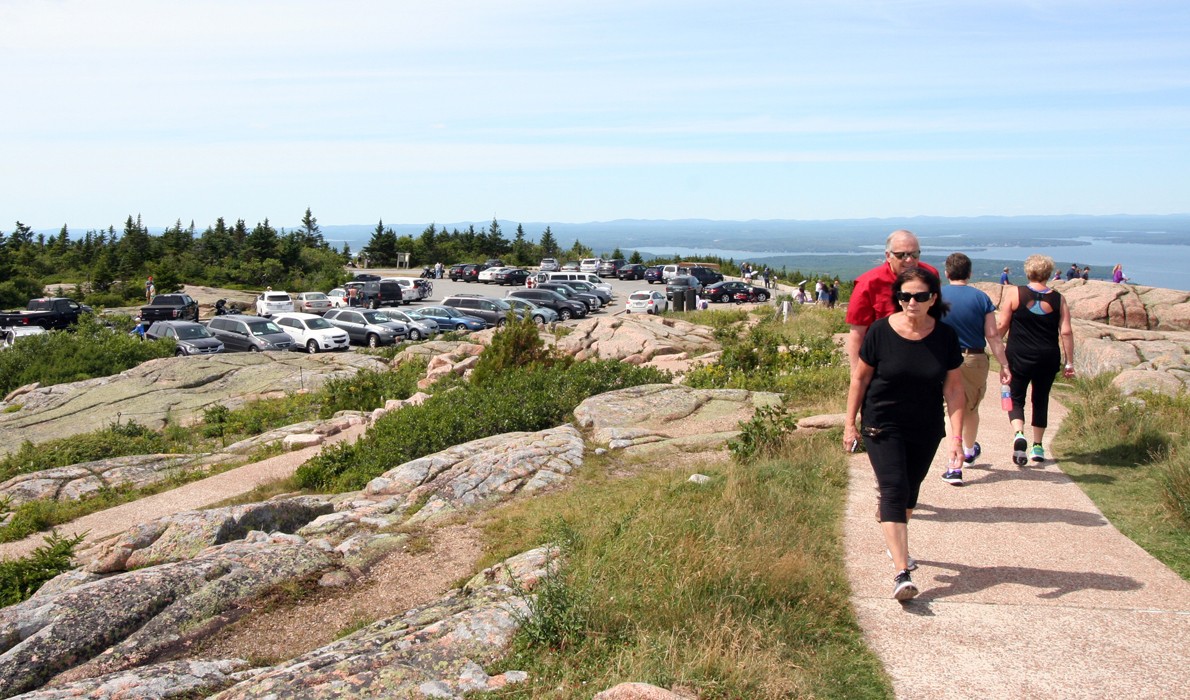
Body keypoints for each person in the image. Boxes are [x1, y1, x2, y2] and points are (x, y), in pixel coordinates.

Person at [844, 267, 965, 601]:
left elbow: (954, 390)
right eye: (905, 296)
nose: (912, 302)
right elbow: (860, 379)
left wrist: (957, 439)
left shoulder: (945, 337)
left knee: (910, 490)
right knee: (894, 488)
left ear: (933, 299)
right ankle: (901, 572)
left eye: (920, 296)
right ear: (898, 298)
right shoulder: (881, 332)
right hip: (882, 422)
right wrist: (849, 423)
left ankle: (894, 530)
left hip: (925, 427)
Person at [939, 253, 1012, 485]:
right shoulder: (981, 298)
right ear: (969, 273)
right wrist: (1004, 364)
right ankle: (966, 453)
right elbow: (992, 334)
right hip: (973, 359)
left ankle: (955, 462)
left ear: (946, 272)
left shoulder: (936, 296)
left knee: (950, 410)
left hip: (941, 359)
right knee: (970, 408)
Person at [997, 255, 1076, 466]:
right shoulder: (1059, 299)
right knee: (1041, 399)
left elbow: (1003, 325)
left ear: (1027, 272)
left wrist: (994, 346)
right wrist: (1070, 362)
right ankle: (1038, 446)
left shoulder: (1015, 293)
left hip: (1018, 354)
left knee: (1015, 396)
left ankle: (1018, 433)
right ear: (1048, 273)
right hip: (1048, 356)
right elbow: (1066, 332)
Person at [845, 230, 940, 372]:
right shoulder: (868, 284)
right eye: (902, 255)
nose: (909, 260)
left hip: (926, 358)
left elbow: (937, 315)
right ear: (888, 256)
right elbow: (857, 333)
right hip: (883, 365)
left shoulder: (930, 275)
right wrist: (856, 375)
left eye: (914, 254)